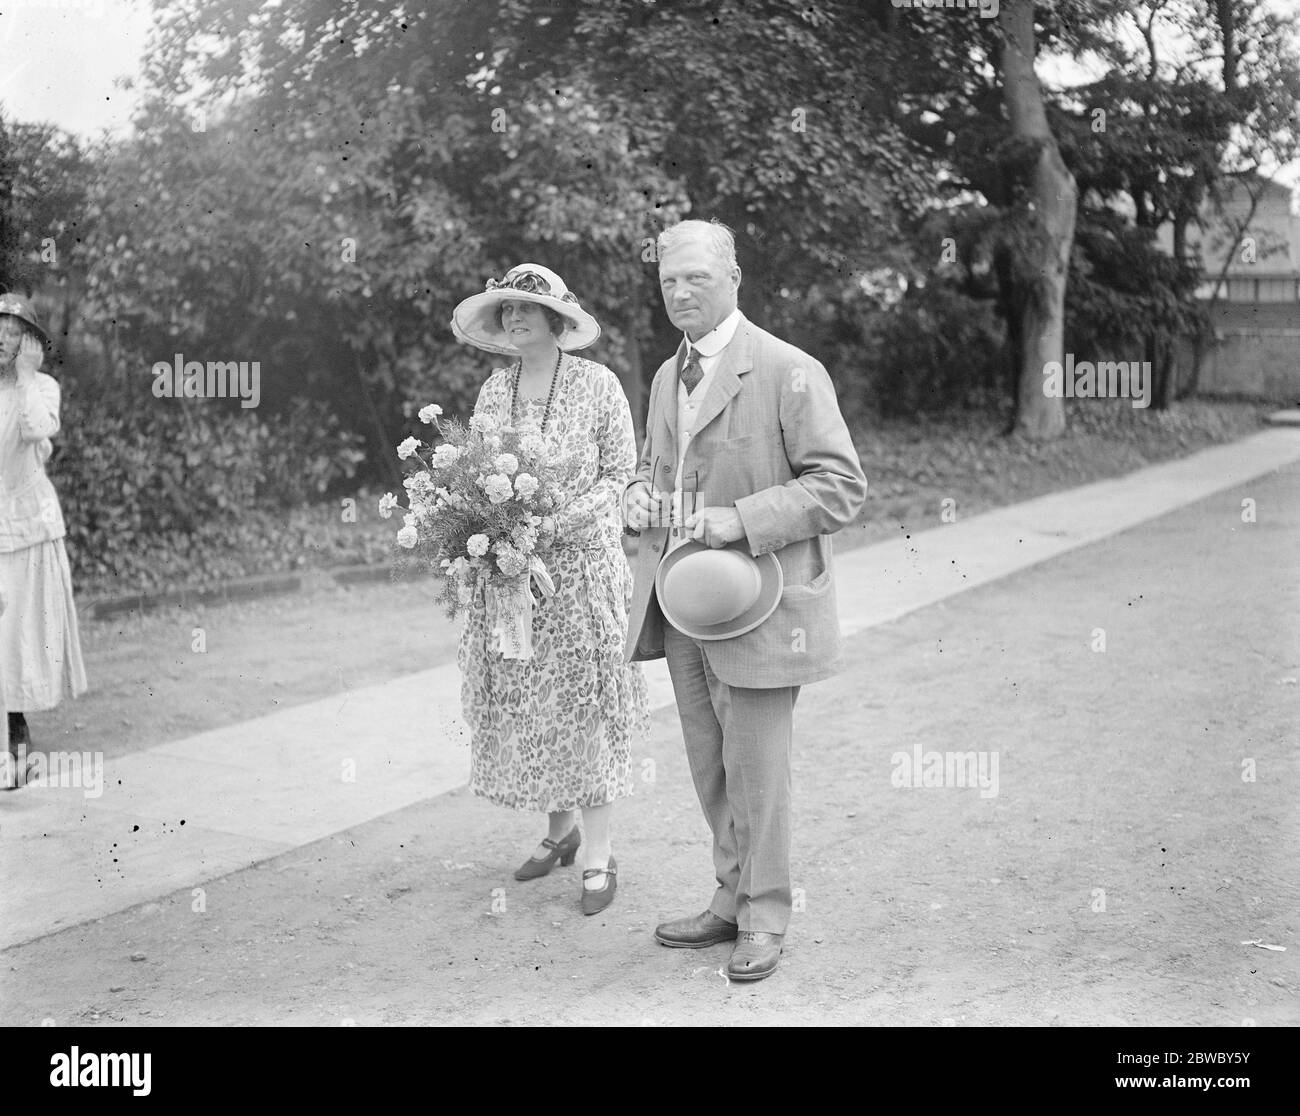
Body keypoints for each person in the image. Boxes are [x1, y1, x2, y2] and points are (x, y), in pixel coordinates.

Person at [623, 220, 868, 979]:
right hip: (685, 604)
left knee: (759, 768)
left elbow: (841, 485)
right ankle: (731, 898)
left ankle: (766, 915)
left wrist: (741, 518)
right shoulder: (669, 376)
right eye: (669, 280)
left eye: (696, 276)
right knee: (710, 762)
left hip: (764, 609)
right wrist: (636, 495)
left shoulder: (791, 369)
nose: (681, 291)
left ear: (735, 276)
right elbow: (652, 467)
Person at [450, 263, 649, 914]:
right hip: (514, 578)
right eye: (505, 309)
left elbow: (620, 475)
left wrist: (551, 526)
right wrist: (486, 531)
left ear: (557, 320)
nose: (514, 317)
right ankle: (558, 835)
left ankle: (597, 854)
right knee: (532, 703)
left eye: (526, 308)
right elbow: (476, 479)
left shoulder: (598, 385)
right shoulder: (492, 392)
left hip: (583, 571)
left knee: (583, 707)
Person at [0, 293, 87, 790]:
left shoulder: (44, 388)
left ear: (30, 342)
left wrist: (27, 376)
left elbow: (37, 429)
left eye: (14, 332)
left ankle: (18, 745)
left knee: (16, 640)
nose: (2, 339)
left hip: (29, 531)